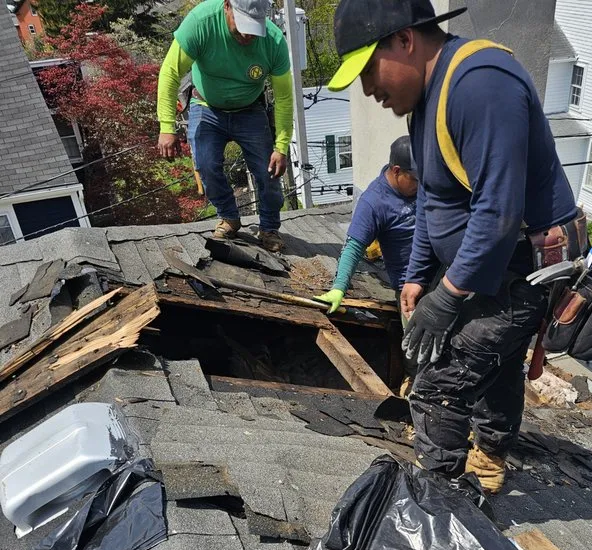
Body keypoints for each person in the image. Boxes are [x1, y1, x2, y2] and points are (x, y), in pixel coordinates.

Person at [328, 0, 584, 493]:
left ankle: (440, 503)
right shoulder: (428, 100)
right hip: (487, 269)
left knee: (437, 388)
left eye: (368, 71)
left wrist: (446, 298)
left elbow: (499, 212)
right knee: (497, 363)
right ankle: (489, 455)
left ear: (405, 40)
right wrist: (417, 274)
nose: (368, 89)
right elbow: (433, 197)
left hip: (523, 270)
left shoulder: (480, 84)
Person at [156, 0, 293, 252]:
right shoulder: (200, 23)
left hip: (251, 109)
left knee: (269, 171)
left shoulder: (273, 42)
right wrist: (167, 126)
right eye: (242, 25)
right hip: (206, 106)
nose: (247, 35)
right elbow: (170, 72)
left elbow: (284, 97)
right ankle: (229, 218)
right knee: (206, 166)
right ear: (227, 6)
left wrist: (281, 146)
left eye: (254, 28)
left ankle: (269, 228)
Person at [317, 136, 418, 316]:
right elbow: (353, 247)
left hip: (445, 277)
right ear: (396, 171)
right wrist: (339, 288)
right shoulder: (374, 202)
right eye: (415, 179)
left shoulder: (420, 183)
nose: (422, 183)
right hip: (411, 292)